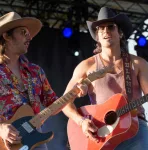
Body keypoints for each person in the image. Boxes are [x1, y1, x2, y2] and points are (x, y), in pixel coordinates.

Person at [62, 7, 148, 150]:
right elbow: (65, 102)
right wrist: (81, 121)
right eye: (101, 28)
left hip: (136, 130)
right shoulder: (86, 66)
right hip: (101, 134)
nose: (106, 31)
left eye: (111, 27)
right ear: (97, 36)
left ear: (120, 33)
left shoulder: (138, 63)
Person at [0, 12, 86, 150]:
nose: (29, 37)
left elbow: (52, 104)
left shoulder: (35, 71)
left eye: (29, 33)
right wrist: (1, 128)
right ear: (7, 36)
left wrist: (75, 91)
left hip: (34, 136)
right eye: (23, 32)